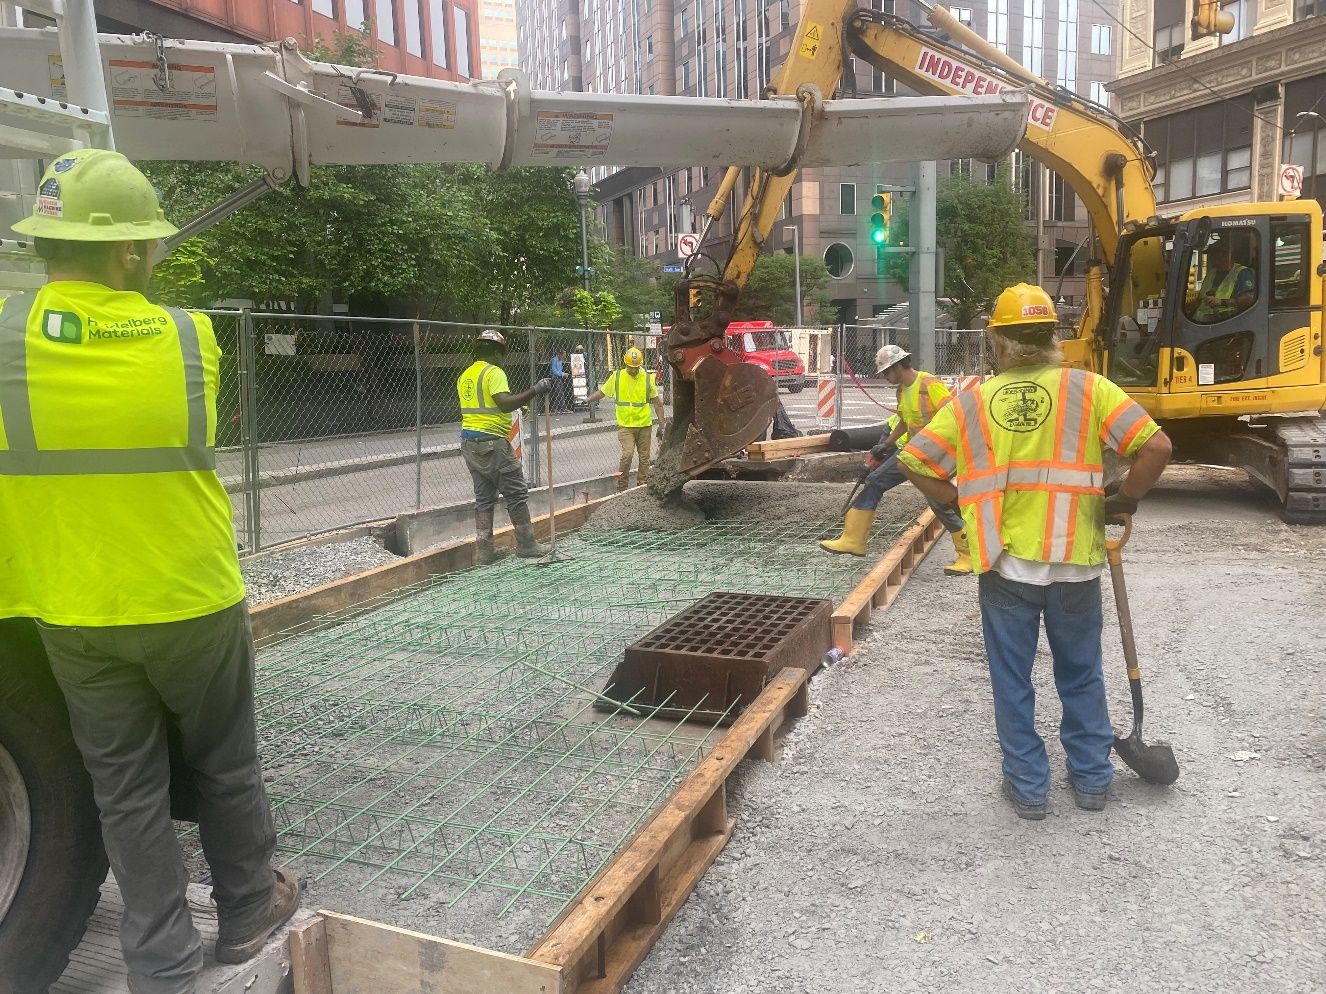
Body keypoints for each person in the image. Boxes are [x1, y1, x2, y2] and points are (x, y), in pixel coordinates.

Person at [0, 149, 297, 993]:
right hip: (191, 598)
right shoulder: (187, 336)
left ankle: (160, 963)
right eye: (149, 244)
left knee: (124, 793)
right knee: (223, 765)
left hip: (72, 607)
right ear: (128, 251)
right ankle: (246, 912)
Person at [899, 283, 1172, 820]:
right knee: (1082, 672)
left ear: (998, 341)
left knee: (1011, 678)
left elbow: (914, 461)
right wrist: (1125, 500)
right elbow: (1156, 447)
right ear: (1053, 336)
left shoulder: (972, 401)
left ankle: (1028, 789)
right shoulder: (1090, 389)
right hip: (1077, 560)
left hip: (1005, 564)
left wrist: (953, 498)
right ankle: (1093, 780)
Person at [819, 344, 971, 574]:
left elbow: (952, 415)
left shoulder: (929, 384)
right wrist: (886, 445)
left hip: (935, 452)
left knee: (938, 501)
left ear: (899, 366)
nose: (886, 377)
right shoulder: (901, 390)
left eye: (887, 372)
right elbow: (904, 421)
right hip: (912, 452)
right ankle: (853, 540)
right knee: (874, 481)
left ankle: (969, 555)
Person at [458, 330, 555, 563]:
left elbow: (484, 406)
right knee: (516, 493)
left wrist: (515, 408)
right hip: (493, 444)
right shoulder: (494, 372)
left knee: (483, 497)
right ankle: (527, 545)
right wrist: (535, 390)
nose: (503, 358)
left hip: (470, 444)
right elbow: (502, 404)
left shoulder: (465, 375)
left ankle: (484, 552)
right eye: (502, 353)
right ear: (496, 352)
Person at [586, 346, 667, 491]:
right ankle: (622, 487)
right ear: (625, 364)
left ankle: (642, 486)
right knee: (627, 455)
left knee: (644, 459)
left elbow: (658, 404)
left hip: (644, 425)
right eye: (631, 367)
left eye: (636, 367)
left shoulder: (647, 378)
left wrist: (661, 425)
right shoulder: (617, 377)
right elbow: (602, 392)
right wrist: (588, 399)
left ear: (640, 365)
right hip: (626, 426)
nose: (634, 370)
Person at [1189, 240, 1255, 322]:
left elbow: (1248, 299)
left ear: (1227, 255)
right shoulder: (1212, 273)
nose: (1212, 258)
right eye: (1212, 255)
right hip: (1201, 320)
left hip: (1226, 320)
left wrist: (1221, 302)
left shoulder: (1242, 272)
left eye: (1215, 254)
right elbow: (1200, 300)